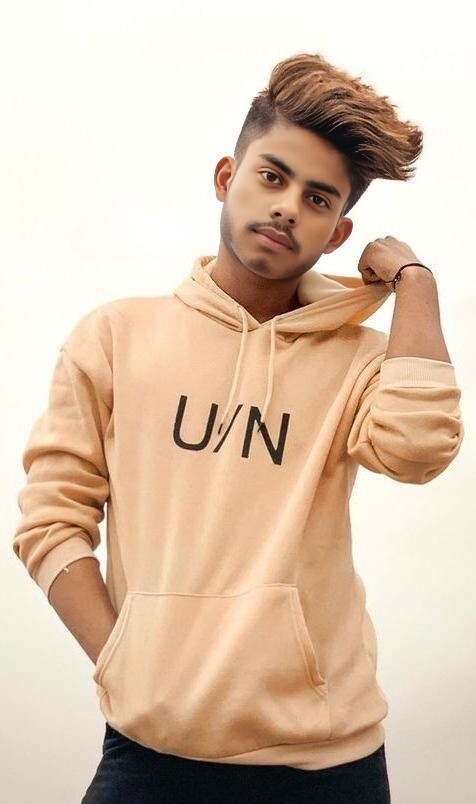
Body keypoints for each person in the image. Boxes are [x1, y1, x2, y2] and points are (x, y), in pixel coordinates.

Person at [12, 51, 463, 803]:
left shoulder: (360, 359)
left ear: (339, 231)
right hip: (150, 751)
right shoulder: (116, 337)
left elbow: (417, 451)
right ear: (227, 177)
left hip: (328, 762)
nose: (288, 207)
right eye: (272, 177)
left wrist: (416, 284)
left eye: (318, 199)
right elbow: (51, 522)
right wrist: (123, 658)